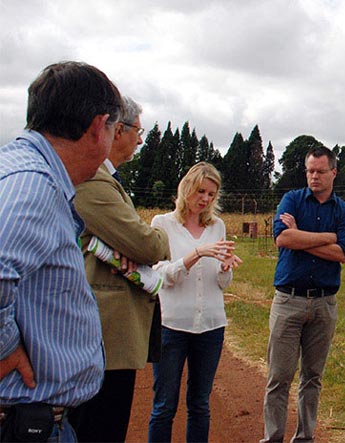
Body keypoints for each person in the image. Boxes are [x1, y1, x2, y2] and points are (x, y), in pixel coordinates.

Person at [0, 61, 122, 442]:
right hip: (23, 423)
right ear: (98, 127)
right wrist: (4, 347)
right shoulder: (33, 186)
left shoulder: (21, 168)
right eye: (117, 129)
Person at [68, 96, 171, 443]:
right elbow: (149, 245)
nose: (141, 139)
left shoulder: (105, 179)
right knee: (100, 426)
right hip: (105, 335)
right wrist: (152, 237)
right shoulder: (94, 183)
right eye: (138, 131)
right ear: (117, 129)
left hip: (106, 334)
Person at [261, 145, 345, 443]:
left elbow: (343, 253)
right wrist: (327, 237)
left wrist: (301, 237)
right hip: (289, 300)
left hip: (325, 303)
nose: (314, 176)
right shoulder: (291, 200)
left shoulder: (342, 210)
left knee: (312, 377)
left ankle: (305, 438)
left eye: (320, 171)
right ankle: (273, 437)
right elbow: (282, 237)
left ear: (333, 173)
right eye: (310, 171)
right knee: (279, 376)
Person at [148, 162, 242, 443]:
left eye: (212, 194)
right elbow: (160, 276)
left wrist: (226, 268)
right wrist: (197, 253)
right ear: (187, 187)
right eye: (201, 191)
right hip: (171, 326)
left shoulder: (217, 226)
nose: (205, 199)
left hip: (211, 326)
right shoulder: (162, 224)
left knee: (200, 404)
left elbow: (222, 284)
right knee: (164, 405)